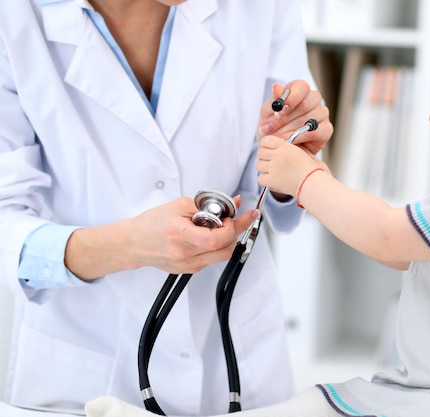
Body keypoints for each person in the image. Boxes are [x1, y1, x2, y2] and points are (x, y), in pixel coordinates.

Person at [85, 12, 430, 417]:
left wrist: (307, 182)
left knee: (315, 408)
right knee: (315, 405)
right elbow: (402, 250)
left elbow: (385, 237)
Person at [0, 0, 332, 415]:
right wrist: (127, 246)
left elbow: (269, 172)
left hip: (234, 354)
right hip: (87, 364)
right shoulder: (13, 16)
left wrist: (288, 152)